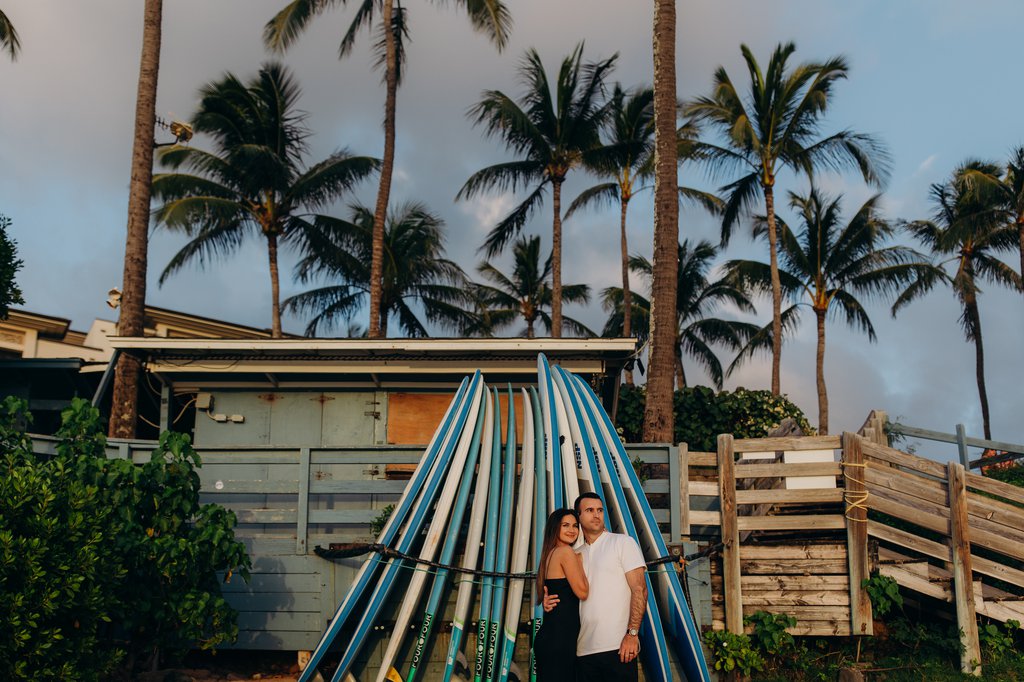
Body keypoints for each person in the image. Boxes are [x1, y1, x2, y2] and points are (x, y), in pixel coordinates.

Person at [544, 491, 647, 682]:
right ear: (579, 516)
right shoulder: (574, 555)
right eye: (590, 510)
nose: (597, 514)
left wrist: (632, 634)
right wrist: (548, 600)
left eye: (600, 510)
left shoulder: (622, 542)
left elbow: (640, 589)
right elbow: (563, 590)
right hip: (582, 651)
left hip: (618, 647)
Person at [532, 508, 589, 680]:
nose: (572, 530)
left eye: (575, 526)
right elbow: (583, 592)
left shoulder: (549, 553)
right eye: (565, 525)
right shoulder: (566, 552)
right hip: (559, 641)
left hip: (551, 638)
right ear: (555, 527)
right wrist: (579, 562)